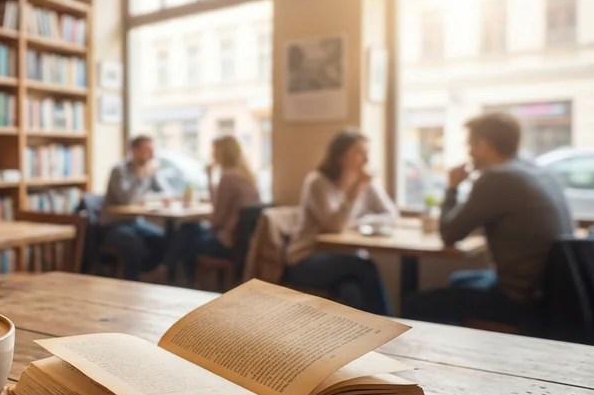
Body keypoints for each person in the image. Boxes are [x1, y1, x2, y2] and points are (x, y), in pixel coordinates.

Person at [402, 112, 573, 329]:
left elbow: (449, 235)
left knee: (413, 305)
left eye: (470, 145)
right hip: (553, 293)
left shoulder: (496, 178)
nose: (469, 153)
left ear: (482, 145)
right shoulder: (537, 171)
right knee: (459, 280)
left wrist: (453, 187)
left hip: (521, 300)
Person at [283, 129, 399, 315]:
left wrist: (364, 221)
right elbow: (336, 226)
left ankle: (371, 336)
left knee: (353, 288)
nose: (366, 160)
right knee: (365, 268)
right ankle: (388, 326)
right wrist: (355, 191)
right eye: (360, 153)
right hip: (306, 259)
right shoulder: (317, 183)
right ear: (341, 156)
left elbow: (391, 214)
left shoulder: (366, 183)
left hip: (342, 259)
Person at [152, 136, 261, 283]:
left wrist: (209, 178)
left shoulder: (228, 177)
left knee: (183, 237)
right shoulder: (247, 176)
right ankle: (167, 273)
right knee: (188, 229)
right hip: (242, 243)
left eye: (214, 151)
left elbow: (217, 219)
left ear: (221, 153)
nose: (212, 155)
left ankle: (178, 280)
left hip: (225, 243)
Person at [101, 135, 170, 280]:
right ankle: (130, 281)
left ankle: (146, 274)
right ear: (135, 150)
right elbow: (127, 200)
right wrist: (140, 177)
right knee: (133, 243)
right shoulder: (119, 171)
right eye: (148, 150)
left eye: (153, 150)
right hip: (113, 224)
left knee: (162, 238)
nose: (152, 154)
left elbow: (167, 194)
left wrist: (154, 190)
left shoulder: (150, 169)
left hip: (136, 222)